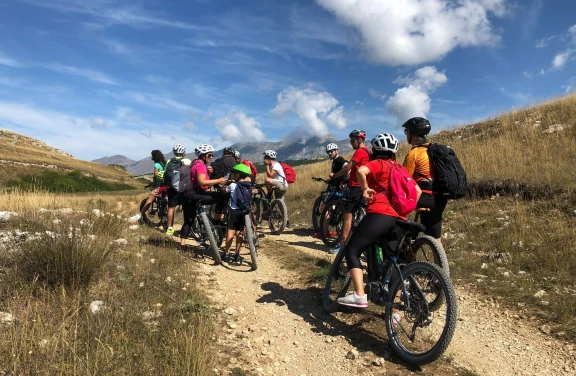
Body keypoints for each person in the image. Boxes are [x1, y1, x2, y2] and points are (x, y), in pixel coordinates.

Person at [337, 133, 421, 308]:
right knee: (395, 262)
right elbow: (418, 191)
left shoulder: (379, 163)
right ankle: (395, 312)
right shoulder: (400, 168)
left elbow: (360, 171)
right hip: (400, 219)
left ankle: (359, 295)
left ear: (375, 150)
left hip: (380, 214)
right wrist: (404, 208)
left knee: (352, 250)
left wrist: (365, 188)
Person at [401, 117, 447, 245]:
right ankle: (441, 264)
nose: (406, 135)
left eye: (407, 132)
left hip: (424, 197)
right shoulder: (435, 151)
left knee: (397, 221)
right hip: (440, 198)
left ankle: (405, 255)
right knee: (436, 238)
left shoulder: (414, 153)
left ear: (412, 133)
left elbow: (404, 179)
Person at [178, 144, 228, 252]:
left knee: (188, 220)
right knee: (222, 196)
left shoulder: (194, 164)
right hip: (196, 195)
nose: (211, 157)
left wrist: (209, 174)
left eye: (212, 155)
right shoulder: (200, 165)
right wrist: (219, 180)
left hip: (186, 195)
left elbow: (202, 183)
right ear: (203, 155)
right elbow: (202, 183)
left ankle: (181, 246)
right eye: (209, 155)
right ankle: (217, 219)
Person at [328, 130, 370, 254]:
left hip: (357, 188)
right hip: (362, 186)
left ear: (359, 140)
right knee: (360, 216)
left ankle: (342, 245)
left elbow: (347, 167)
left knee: (347, 215)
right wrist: (347, 180)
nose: (351, 143)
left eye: (353, 141)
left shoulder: (360, 152)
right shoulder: (368, 151)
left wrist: (335, 176)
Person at [222, 164, 253, 263]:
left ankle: (226, 253)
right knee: (240, 232)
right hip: (243, 211)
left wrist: (222, 188)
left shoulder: (232, 185)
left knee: (230, 231)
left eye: (235, 173)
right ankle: (237, 254)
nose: (234, 175)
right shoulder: (249, 185)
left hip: (234, 210)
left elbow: (224, 191)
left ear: (238, 175)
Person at [166, 144, 189, 235]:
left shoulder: (169, 161)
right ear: (183, 153)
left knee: (171, 208)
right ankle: (186, 226)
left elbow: (165, 173)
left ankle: (170, 228)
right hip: (182, 187)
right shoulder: (186, 161)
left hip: (172, 187)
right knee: (186, 206)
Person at [139, 150, 167, 224]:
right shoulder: (165, 164)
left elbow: (155, 176)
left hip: (159, 185)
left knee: (149, 200)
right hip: (166, 185)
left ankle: (140, 216)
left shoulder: (157, 165)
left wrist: (153, 183)